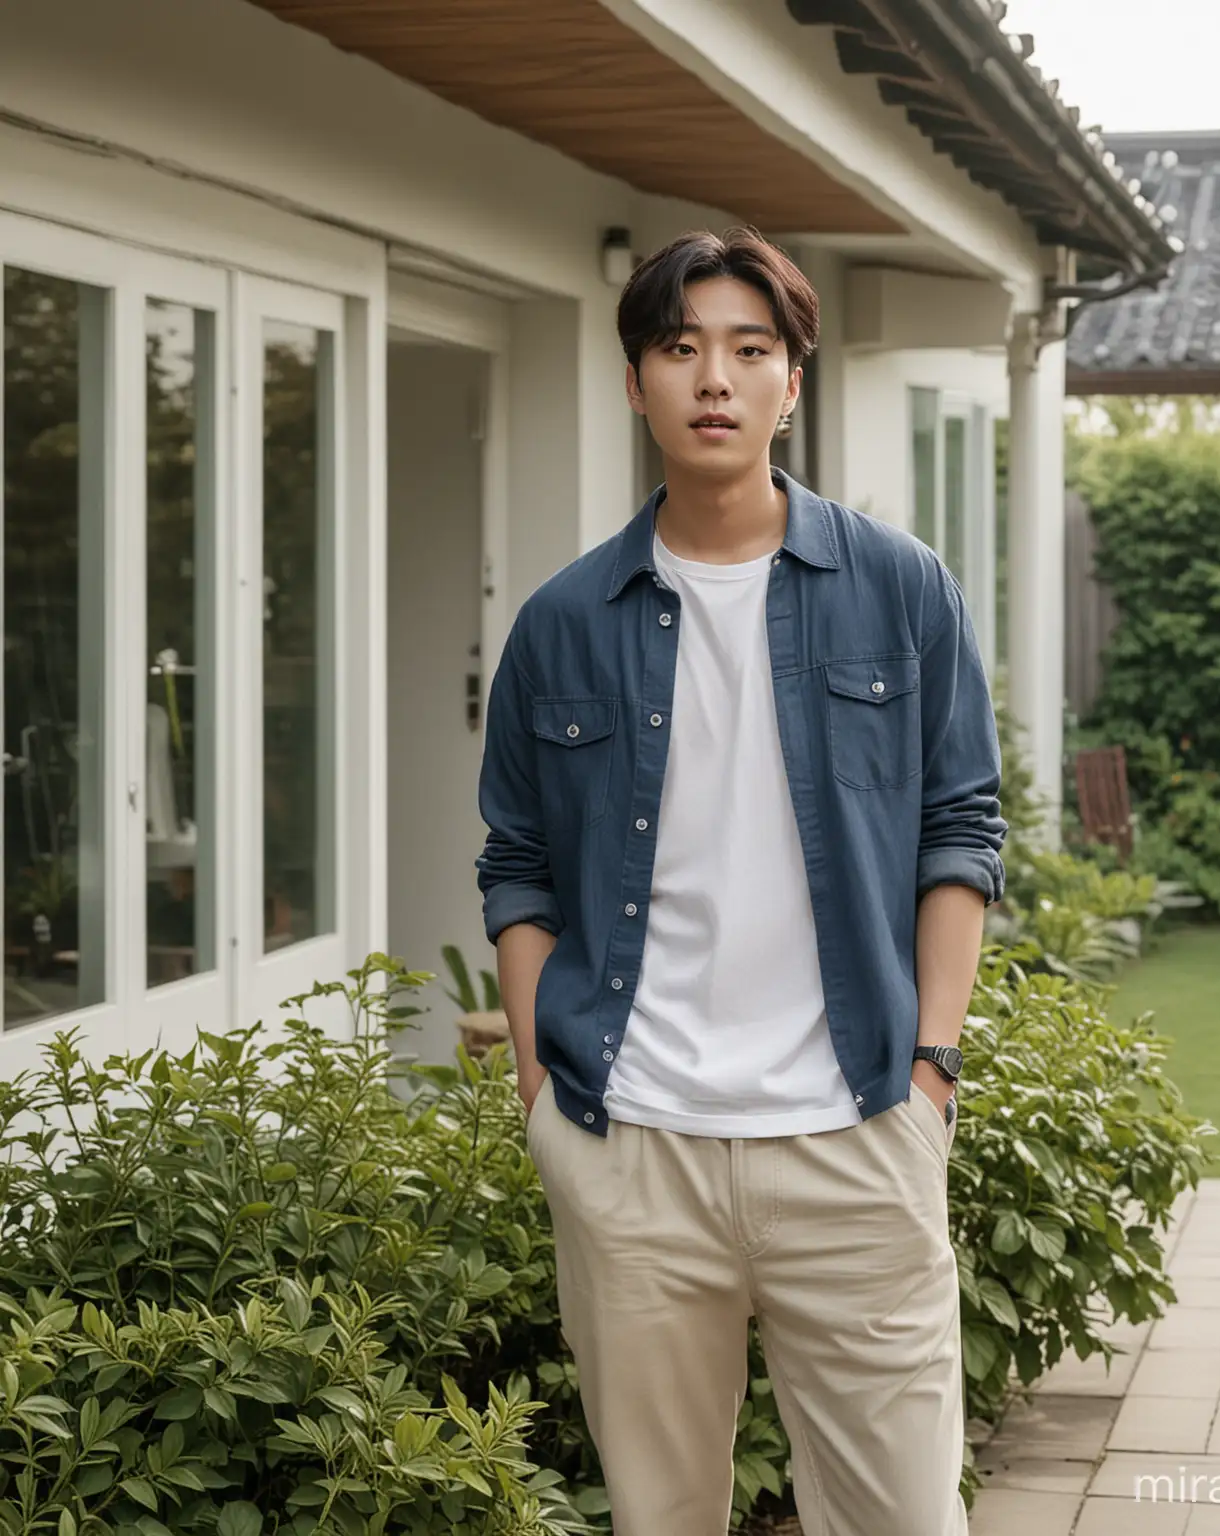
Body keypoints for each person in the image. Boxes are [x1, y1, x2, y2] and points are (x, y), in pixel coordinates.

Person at [476, 226, 1007, 1536]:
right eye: (680, 347)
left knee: (903, 1518)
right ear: (636, 382)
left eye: (747, 349)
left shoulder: (900, 589)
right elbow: (519, 862)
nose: (714, 377)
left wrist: (931, 1070)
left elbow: (961, 828)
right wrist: (549, 1090)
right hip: (635, 1145)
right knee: (663, 1518)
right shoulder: (560, 623)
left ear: (791, 382)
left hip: (857, 1132)